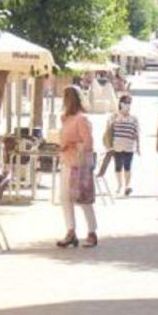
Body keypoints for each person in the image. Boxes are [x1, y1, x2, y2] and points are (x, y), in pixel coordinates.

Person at [57, 86, 97, 248]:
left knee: (83, 198)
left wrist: (71, 144)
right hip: (67, 162)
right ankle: (71, 231)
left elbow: (88, 143)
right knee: (65, 198)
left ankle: (92, 232)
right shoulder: (66, 119)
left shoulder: (81, 119)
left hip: (78, 165)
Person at [106, 95, 141, 196]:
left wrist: (138, 146)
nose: (127, 105)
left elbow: (136, 133)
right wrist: (109, 144)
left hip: (129, 146)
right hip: (117, 145)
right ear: (120, 103)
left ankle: (127, 186)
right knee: (118, 166)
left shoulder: (134, 118)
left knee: (127, 166)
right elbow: (109, 131)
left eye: (129, 103)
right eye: (125, 102)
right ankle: (119, 185)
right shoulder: (114, 117)